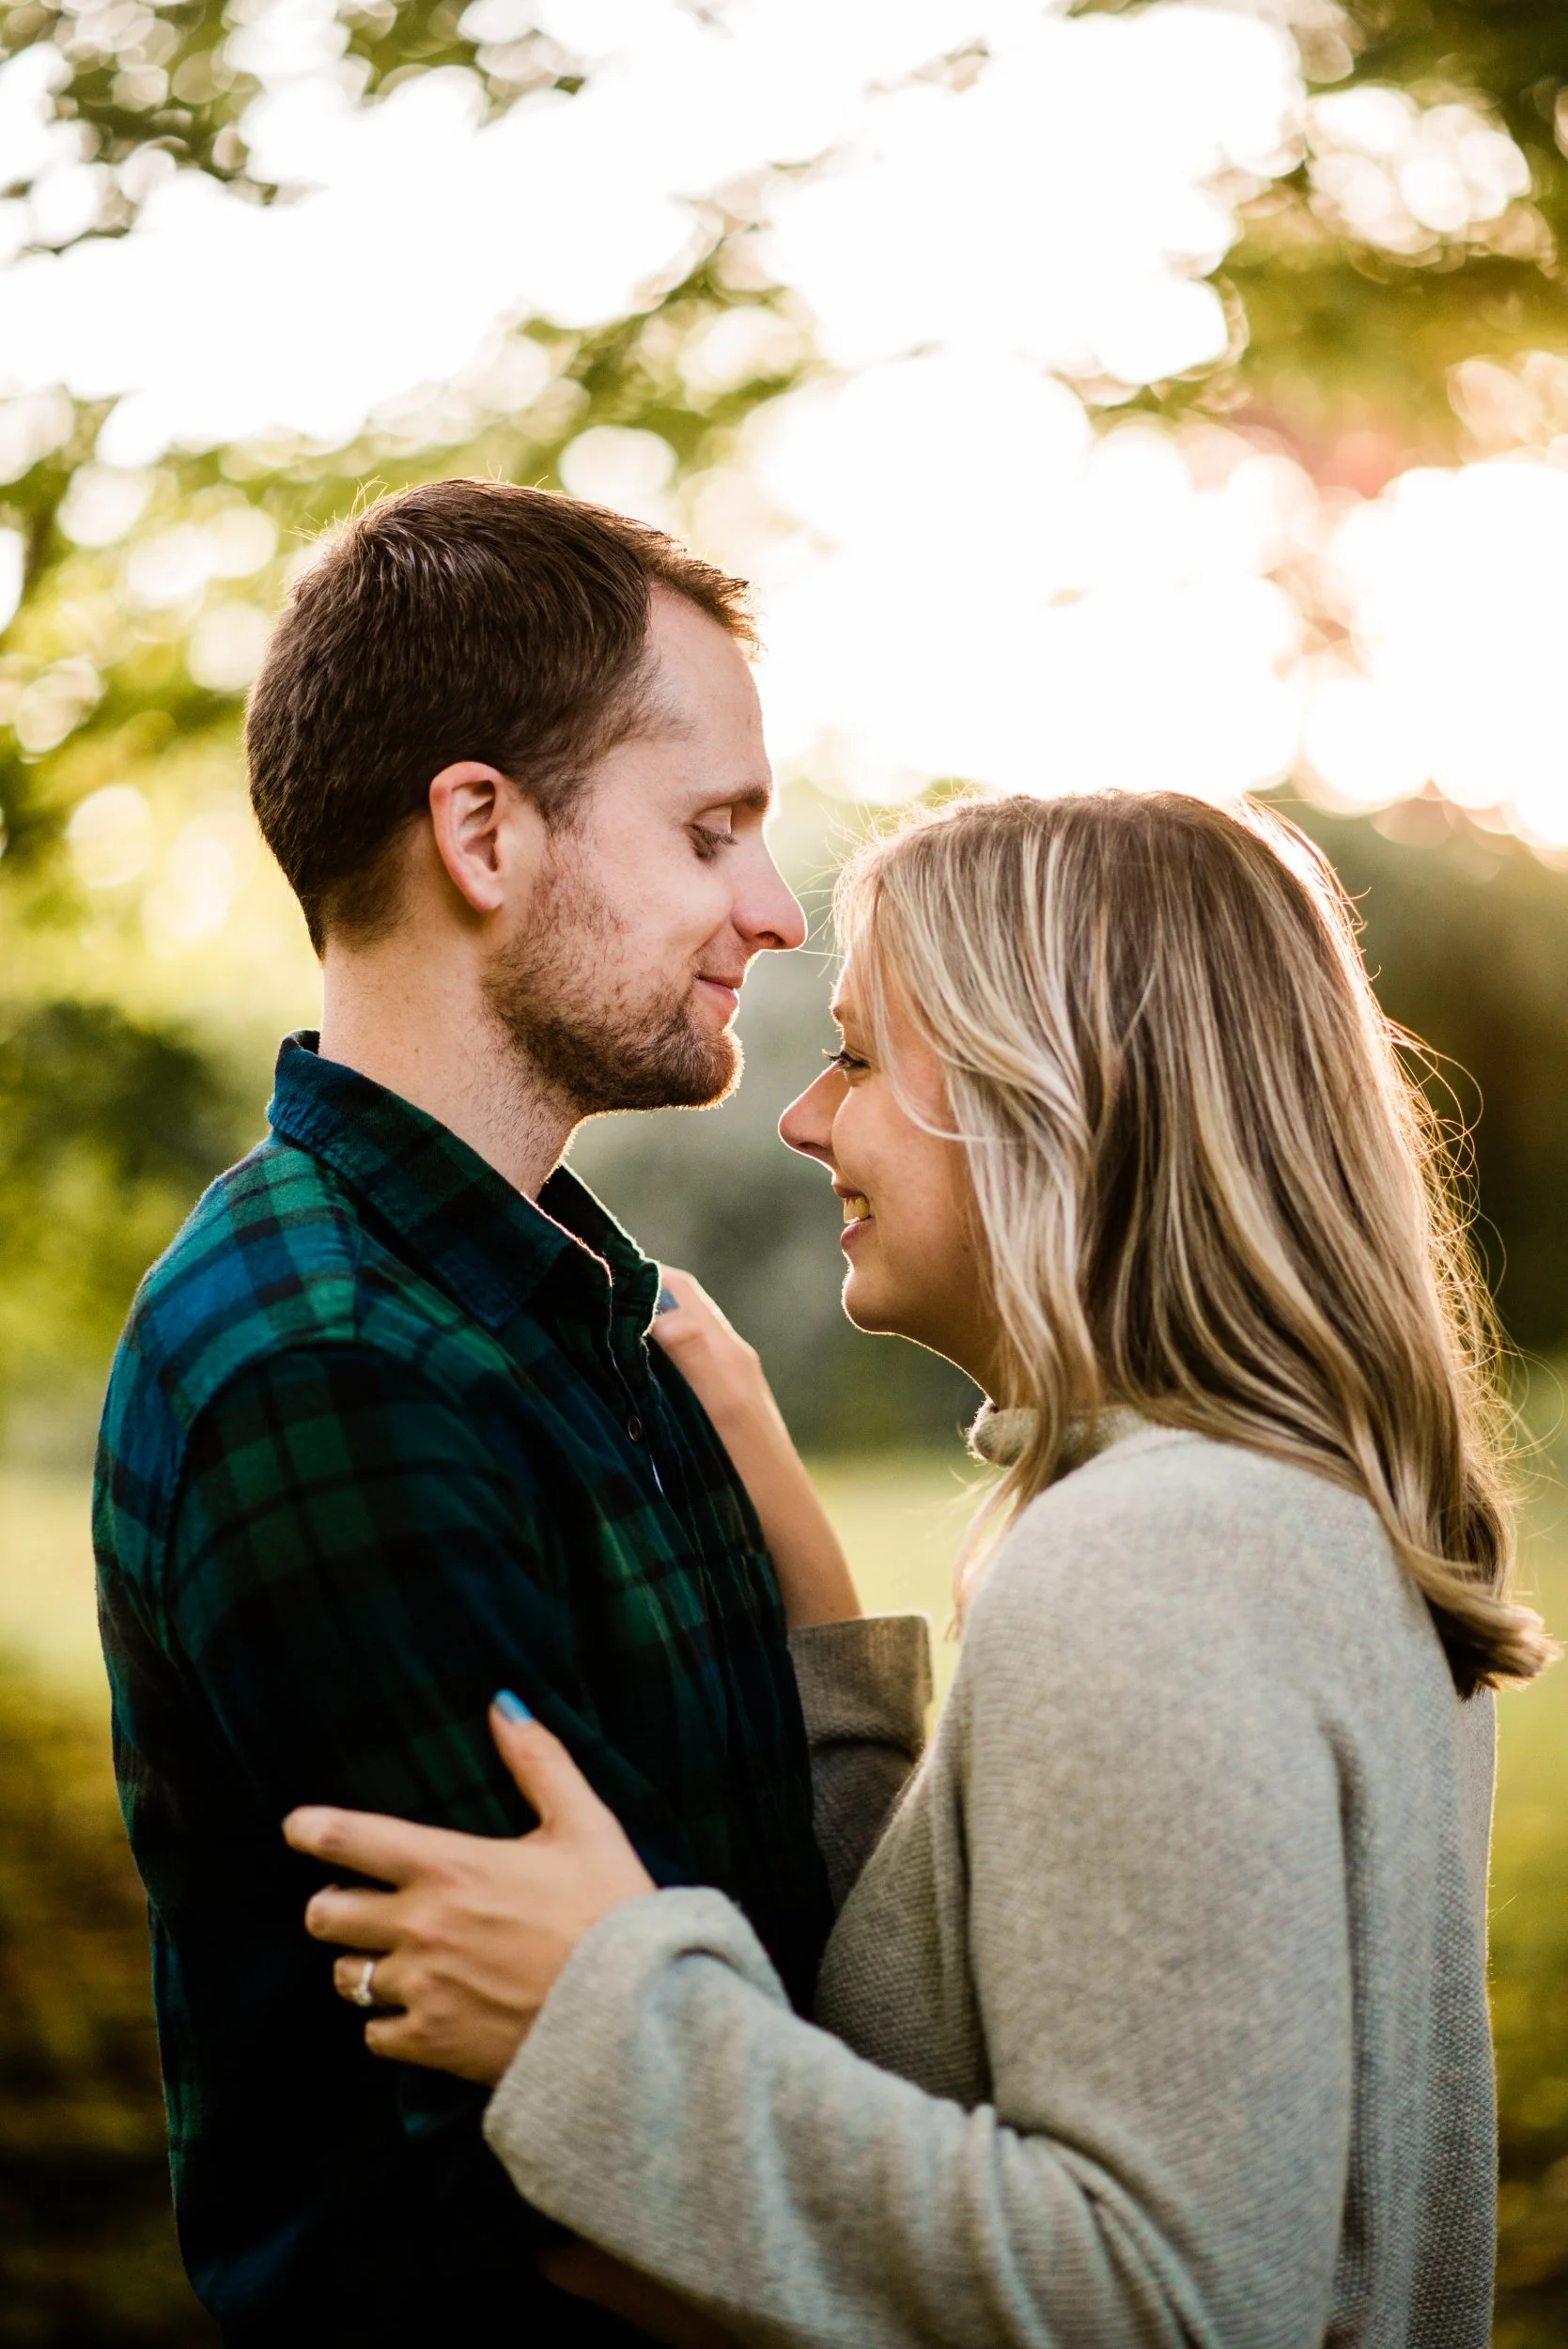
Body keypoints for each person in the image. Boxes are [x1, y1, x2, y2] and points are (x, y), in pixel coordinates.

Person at [288, 788, 1556, 2349]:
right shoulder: (1291, 1512)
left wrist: (608, 2023)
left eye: (863, 1054)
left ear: (1052, 1094)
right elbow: (1008, 2017)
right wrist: (816, 1604)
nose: (805, 1116)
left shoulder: (1150, 1568)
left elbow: (1165, 2300)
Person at [91, 478, 870, 2345]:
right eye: (707, 832)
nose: (770, 911)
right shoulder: (339, 1372)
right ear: (480, 830)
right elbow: (578, 2178)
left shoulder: (562, 1301)